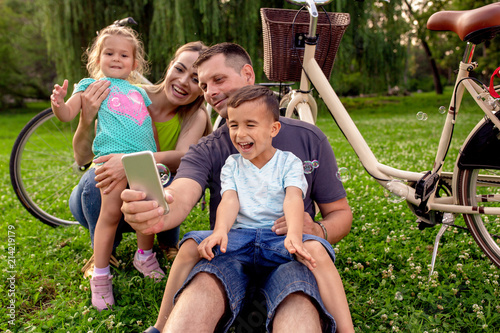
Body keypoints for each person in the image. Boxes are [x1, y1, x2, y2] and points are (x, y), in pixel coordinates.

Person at [122, 43, 352, 332]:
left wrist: (318, 231)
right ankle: (159, 326)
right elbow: (184, 194)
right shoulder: (212, 150)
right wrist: (158, 207)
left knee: (300, 315)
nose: (211, 92)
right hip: (229, 256)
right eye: (203, 85)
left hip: (291, 260)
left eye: (219, 80)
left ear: (247, 74)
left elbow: (338, 212)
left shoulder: (307, 142)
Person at [162, 84, 355, 332]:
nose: (240, 134)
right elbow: (229, 200)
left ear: (273, 128)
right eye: (233, 125)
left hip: (277, 237)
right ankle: (161, 322)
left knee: (316, 250)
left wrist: (295, 235)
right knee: (189, 245)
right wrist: (220, 230)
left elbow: (293, 199)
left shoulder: (288, 162)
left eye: (250, 125)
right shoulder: (232, 164)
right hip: (239, 237)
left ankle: (346, 329)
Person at [65, 38, 211, 308]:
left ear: (203, 87)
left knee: (160, 182)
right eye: (179, 69)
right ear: (169, 67)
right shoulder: (127, 92)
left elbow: (182, 158)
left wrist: (131, 160)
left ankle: (155, 248)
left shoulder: (195, 115)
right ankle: (103, 256)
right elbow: (82, 157)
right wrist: (87, 119)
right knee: (93, 186)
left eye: (195, 78)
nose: (182, 82)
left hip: (149, 188)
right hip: (105, 185)